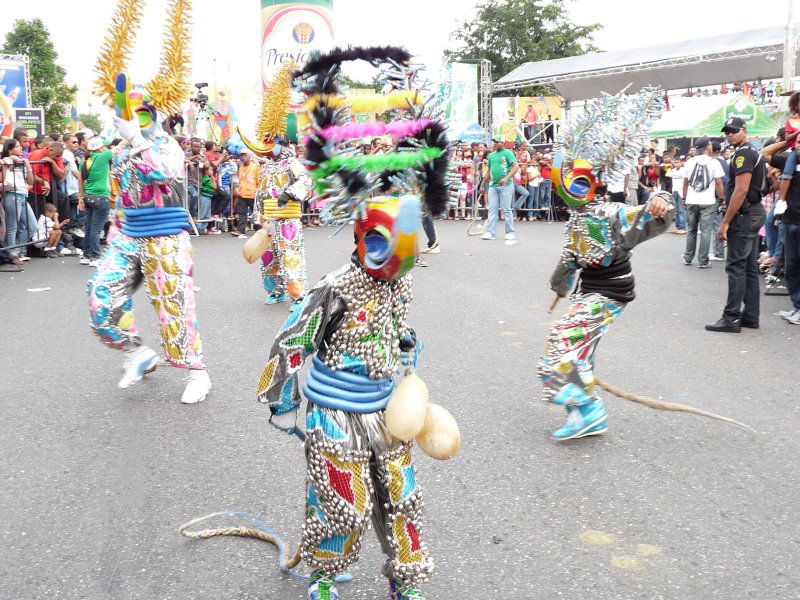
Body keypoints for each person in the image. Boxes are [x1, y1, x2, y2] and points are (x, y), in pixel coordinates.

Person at [256, 45, 449, 600]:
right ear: (364, 238)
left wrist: (405, 350)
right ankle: (322, 576)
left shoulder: (401, 281)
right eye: (390, 244)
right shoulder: (334, 288)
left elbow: (394, 324)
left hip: (387, 405)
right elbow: (293, 336)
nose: (398, 260)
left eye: (408, 246)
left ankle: (405, 580)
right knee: (343, 504)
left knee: (401, 496)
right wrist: (279, 393)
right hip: (336, 410)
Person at [539, 88, 672, 440]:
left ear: (595, 184)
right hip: (589, 292)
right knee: (578, 348)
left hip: (610, 293)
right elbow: (569, 262)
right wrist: (559, 285)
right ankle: (580, 412)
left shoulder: (610, 213)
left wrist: (660, 198)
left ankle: (589, 409)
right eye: (568, 179)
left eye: (581, 181)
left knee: (563, 339)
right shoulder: (575, 220)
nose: (572, 186)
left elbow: (654, 216)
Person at [705, 117, 767, 332]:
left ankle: (731, 317)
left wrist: (725, 222)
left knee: (736, 267)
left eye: (733, 130)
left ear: (744, 130)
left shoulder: (743, 154)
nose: (729, 134)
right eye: (727, 131)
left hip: (744, 214)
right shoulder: (753, 151)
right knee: (748, 267)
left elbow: (741, 190)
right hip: (754, 212)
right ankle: (750, 316)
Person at [762, 138, 800, 323]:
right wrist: (788, 141)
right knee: (792, 267)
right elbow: (765, 153)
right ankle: (797, 307)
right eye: (799, 142)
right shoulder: (789, 160)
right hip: (789, 220)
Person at [681, 138, 724, 268]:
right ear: (707, 147)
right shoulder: (714, 162)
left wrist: (684, 198)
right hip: (708, 202)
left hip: (691, 201)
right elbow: (719, 182)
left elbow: (685, 182)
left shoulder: (689, 162)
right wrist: (722, 199)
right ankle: (703, 261)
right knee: (706, 231)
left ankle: (688, 258)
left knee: (691, 230)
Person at [77, 137, 112, 267]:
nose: (106, 148)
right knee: (96, 229)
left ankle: (86, 255)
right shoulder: (103, 157)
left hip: (88, 196)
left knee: (90, 227)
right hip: (101, 196)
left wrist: (81, 198)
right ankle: (95, 257)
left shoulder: (85, 161)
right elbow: (120, 147)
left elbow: (80, 180)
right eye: (104, 146)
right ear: (100, 148)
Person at [1, 138, 35, 264]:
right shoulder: (6, 160)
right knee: (12, 227)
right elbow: (3, 177)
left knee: (32, 226)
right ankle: (13, 255)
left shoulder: (22, 162)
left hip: (22, 195)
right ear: (10, 149)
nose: (21, 148)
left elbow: (30, 182)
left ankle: (19, 251)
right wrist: (10, 161)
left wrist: (28, 167)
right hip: (11, 195)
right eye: (18, 146)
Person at [481, 138, 518, 244]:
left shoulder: (508, 153)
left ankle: (510, 232)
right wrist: (482, 185)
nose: (495, 144)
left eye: (497, 142)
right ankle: (491, 232)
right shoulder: (491, 155)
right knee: (492, 209)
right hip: (493, 186)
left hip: (506, 185)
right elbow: (488, 172)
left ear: (503, 143)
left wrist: (506, 178)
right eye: (494, 142)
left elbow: (515, 167)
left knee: (506, 209)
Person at [776, 92, 800, 214]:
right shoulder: (791, 121)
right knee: (786, 174)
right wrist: (798, 132)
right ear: (796, 105)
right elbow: (787, 138)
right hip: (796, 152)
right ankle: (781, 201)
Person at [232, 149, 259, 238]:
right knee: (242, 213)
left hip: (252, 194)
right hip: (242, 194)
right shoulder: (241, 167)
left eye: (245, 155)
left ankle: (260, 230)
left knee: (256, 213)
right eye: (242, 155)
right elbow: (239, 180)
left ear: (250, 156)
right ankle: (240, 231)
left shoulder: (255, 167)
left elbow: (258, 181)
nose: (243, 157)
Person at [197, 164, 215, 234]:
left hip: (208, 197)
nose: (212, 172)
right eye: (211, 170)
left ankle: (202, 228)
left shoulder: (208, 179)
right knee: (202, 213)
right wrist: (213, 179)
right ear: (206, 171)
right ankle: (198, 228)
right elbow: (214, 187)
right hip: (204, 197)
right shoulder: (206, 179)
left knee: (207, 215)